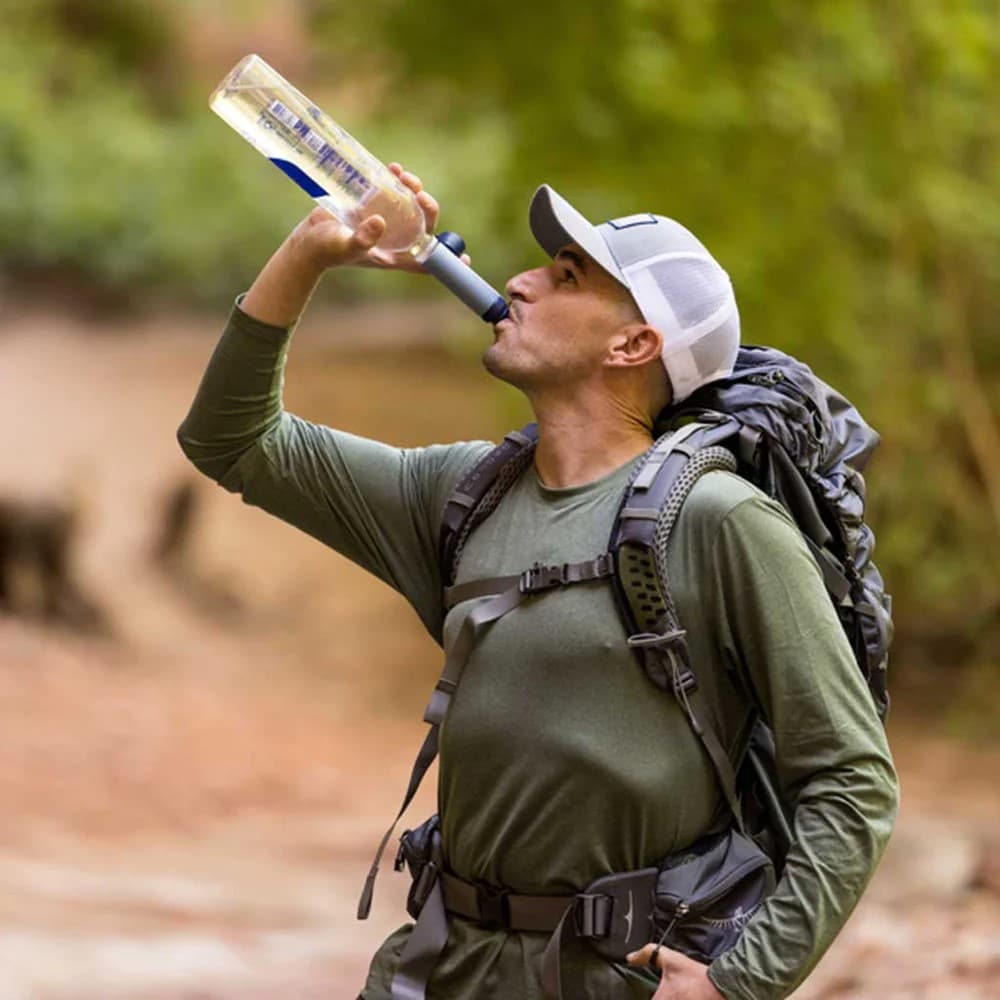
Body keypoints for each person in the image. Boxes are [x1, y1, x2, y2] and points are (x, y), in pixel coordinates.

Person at [178, 165, 899, 1000]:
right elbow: (230, 440)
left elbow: (851, 779)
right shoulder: (463, 492)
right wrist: (308, 255)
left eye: (565, 278)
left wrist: (739, 983)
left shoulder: (719, 521)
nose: (519, 280)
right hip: (441, 968)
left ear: (632, 347)